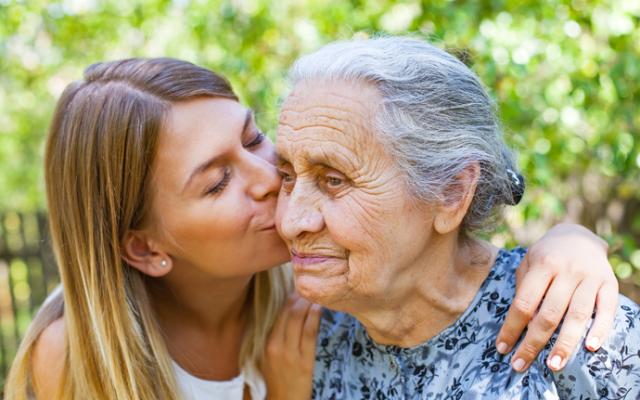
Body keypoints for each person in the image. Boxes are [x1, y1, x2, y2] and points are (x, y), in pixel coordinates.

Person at [2, 57, 622, 400]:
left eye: (253, 139)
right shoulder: (79, 361)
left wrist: (570, 241)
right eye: (217, 183)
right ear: (144, 248)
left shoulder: (324, 289)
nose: (274, 181)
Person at [275, 36, 640, 399]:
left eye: (334, 180)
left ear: (451, 193)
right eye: (287, 176)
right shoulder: (303, 340)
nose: (291, 222)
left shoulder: (580, 332)